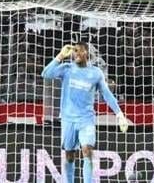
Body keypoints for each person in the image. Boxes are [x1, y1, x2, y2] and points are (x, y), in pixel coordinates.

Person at [40, 41, 131, 183]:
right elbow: (46, 74)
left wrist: (119, 114)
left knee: (87, 152)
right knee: (69, 156)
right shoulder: (66, 68)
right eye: (74, 51)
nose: (76, 53)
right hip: (68, 119)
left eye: (79, 50)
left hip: (86, 120)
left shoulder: (96, 73)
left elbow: (107, 94)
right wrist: (60, 56)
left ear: (86, 53)